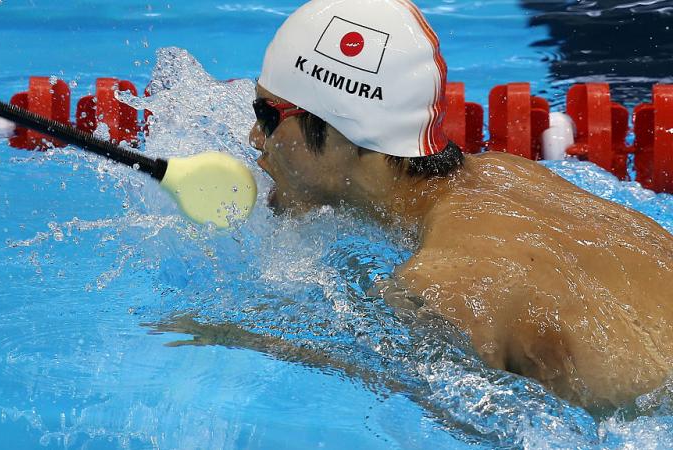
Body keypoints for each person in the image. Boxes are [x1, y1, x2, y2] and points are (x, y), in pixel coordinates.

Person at [249, 0, 673, 410]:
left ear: (345, 130)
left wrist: (226, 335)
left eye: (268, 116)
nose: (255, 139)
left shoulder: (445, 291)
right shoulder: (506, 173)